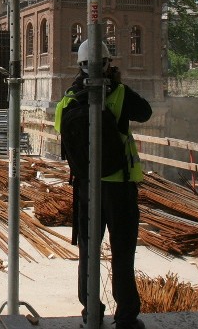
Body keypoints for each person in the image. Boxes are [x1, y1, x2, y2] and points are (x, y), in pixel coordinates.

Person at [54, 40, 152, 329]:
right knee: (122, 252)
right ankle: (126, 318)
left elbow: (61, 127)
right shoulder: (120, 94)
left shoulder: (70, 99)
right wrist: (116, 85)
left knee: (88, 251)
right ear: (108, 63)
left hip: (85, 188)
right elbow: (145, 112)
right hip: (119, 186)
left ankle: (91, 313)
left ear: (80, 65)